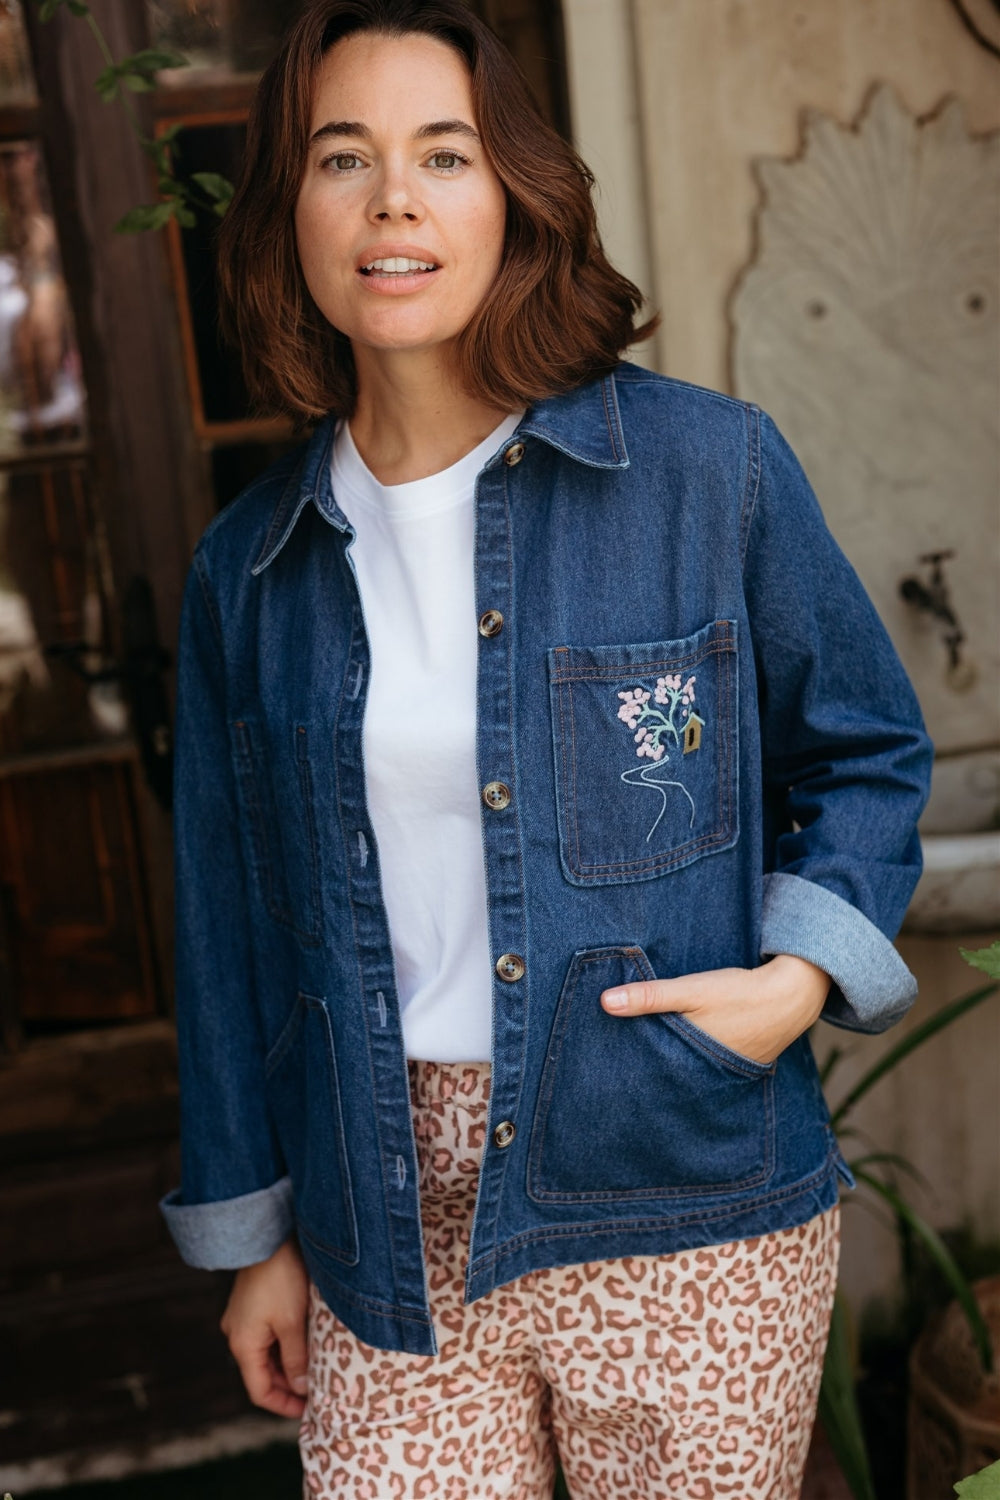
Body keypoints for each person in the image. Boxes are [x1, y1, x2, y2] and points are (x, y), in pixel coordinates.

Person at [160, 2, 932, 1495]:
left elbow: (868, 751)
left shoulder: (706, 472)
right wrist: (250, 1238)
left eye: (444, 154)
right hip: (382, 1220)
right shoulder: (248, 569)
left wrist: (795, 981)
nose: (395, 198)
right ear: (292, 215)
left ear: (513, 195)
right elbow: (226, 919)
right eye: (343, 158)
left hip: (677, 1180)